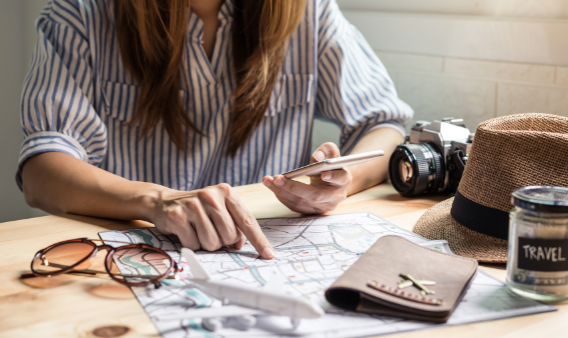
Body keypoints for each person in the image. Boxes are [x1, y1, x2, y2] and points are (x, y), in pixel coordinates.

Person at [18, 0, 413, 259]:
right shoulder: (79, 15)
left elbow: (385, 124)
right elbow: (42, 172)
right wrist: (157, 202)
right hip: (137, 257)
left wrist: (340, 180)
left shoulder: (310, 12)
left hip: (263, 254)